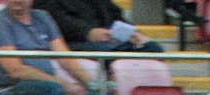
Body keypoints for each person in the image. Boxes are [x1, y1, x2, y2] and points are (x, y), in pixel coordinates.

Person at [35, 0, 164, 53]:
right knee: (106, 52)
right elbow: (53, 19)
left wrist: (133, 32)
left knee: (153, 48)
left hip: (108, 39)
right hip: (70, 41)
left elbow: (115, 14)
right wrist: (87, 32)